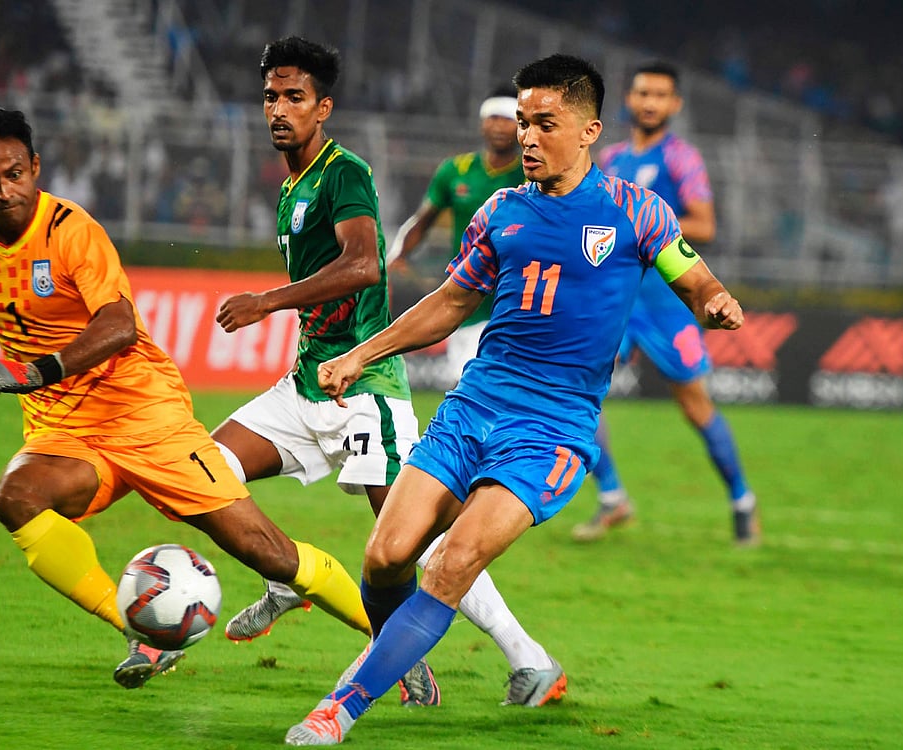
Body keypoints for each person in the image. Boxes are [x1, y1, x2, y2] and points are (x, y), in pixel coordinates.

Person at [283, 54, 745, 745]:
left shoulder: (635, 211)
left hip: (550, 431)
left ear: (588, 131)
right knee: (384, 557)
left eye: (544, 123)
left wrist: (714, 300)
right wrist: (360, 355)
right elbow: (450, 303)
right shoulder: (500, 211)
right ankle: (400, 660)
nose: (527, 136)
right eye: (523, 121)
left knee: (451, 565)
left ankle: (339, 708)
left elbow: (692, 275)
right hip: (472, 409)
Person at [0, 106, 371, 691]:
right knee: (16, 498)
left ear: (35, 166)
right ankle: (142, 634)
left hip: (142, 411)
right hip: (64, 427)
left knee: (264, 550)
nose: (5, 191)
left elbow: (118, 326)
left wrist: (32, 372)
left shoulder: (70, 231)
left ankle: (390, 639)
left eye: (15, 174)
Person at [211, 36, 564, 710]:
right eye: (270, 97)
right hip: (307, 382)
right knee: (203, 470)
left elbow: (363, 265)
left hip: (365, 389)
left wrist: (267, 301)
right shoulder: (291, 186)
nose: (278, 108)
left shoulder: (344, 173)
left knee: (414, 544)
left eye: (294, 97)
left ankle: (528, 657)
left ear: (323, 107)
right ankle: (292, 572)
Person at [571, 60, 759, 546]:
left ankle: (742, 500)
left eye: (660, 95)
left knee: (695, 406)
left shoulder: (681, 159)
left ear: (674, 104)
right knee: (578, 392)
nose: (650, 102)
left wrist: (645, 218)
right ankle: (612, 497)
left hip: (667, 304)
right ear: (629, 99)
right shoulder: (610, 158)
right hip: (615, 301)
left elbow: (705, 225)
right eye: (642, 93)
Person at [387, 85, 524, 383]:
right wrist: (399, 254)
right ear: (482, 123)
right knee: (466, 385)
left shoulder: (531, 174)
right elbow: (422, 220)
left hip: (515, 299)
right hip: (466, 297)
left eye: (507, 119)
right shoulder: (455, 170)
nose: (499, 126)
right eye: (493, 118)